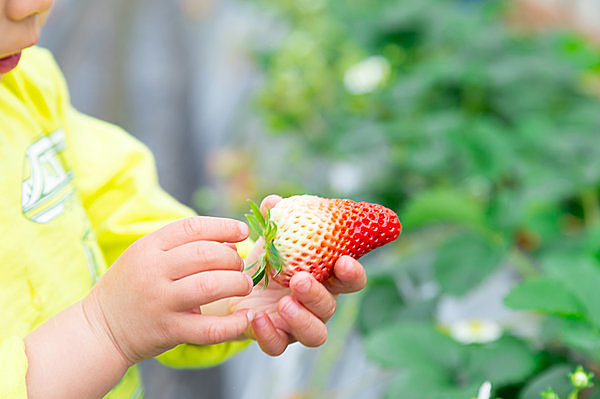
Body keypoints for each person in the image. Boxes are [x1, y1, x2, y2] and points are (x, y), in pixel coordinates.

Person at [0, 0, 368, 398]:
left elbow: (120, 209)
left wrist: (241, 280)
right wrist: (106, 329)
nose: (28, 6)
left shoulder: (26, 85)